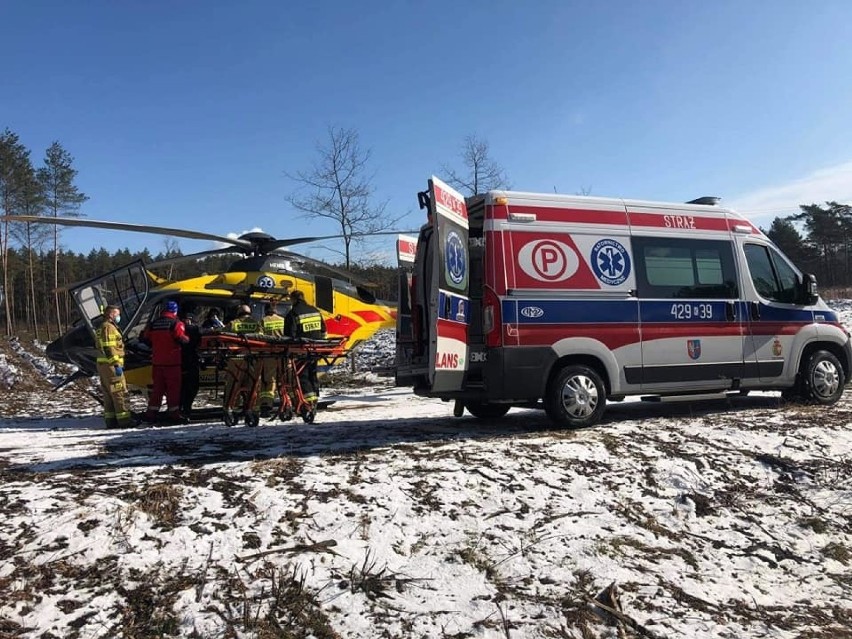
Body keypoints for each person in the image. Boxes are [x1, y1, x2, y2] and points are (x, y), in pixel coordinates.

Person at [141, 300, 189, 424]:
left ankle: (151, 413)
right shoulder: (176, 323)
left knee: (157, 389)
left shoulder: (153, 324)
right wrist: (189, 339)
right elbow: (181, 339)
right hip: (172, 363)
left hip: (157, 363)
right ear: (175, 310)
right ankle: (174, 414)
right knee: (173, 389)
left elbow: (145, 339)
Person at [284, 290, 327, 408]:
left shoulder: (293, 313)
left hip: (301, 350)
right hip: (315, 349)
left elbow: (289, 335)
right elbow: (323, 331)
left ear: (293, 299)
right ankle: (315, 397)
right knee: (312, 373)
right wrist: (320, 344)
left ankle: (309, 401)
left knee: (302, 375)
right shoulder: (315, 311)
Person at [96, 305, 133, 428]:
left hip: (104, 365)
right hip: (110, 366)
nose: (119, 316)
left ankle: (111, 421)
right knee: (119, 393)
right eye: (117, 314)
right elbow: (109, 348)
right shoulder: (109, 328)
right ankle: (125, 422)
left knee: (109, 394)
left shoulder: (102, 327)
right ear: (111, 314)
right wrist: (116, 364)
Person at [222, 304, 263, 415]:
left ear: (238, 313)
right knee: (253, 385)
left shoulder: (233, 324)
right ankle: (251, 408)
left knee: (233, 384)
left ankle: (230, 408)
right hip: (252, 359)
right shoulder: (256, 323)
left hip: (236, 359)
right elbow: (261, 338)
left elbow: (222, 337)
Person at [259, 302, 285, 416]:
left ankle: (267, 405)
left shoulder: (263, 321)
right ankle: (290, 403)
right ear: (275, 310)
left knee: (270, 380)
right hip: (284, 354)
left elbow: (259, 338)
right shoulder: (283, 320)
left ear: (266, 310)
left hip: (269, 355)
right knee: (286, 379)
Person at [179, 311, 202, 418]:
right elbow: (199, 342)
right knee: (192, 386)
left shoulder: (175, 328)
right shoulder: (194, 329)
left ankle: (180, 408)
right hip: (191, 361)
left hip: (179, 361)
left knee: (182, 387)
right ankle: (186, 408)